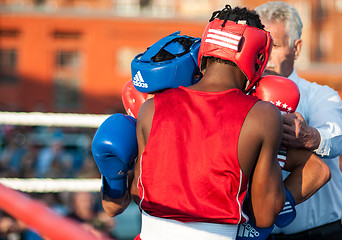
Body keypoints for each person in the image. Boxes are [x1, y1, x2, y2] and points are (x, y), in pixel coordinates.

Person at [99, 5, 287, 239]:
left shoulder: (151, 108)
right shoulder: (263, 116)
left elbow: (139, 193)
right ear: (258, 56)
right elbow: (265, 215)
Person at [255, 2, 342, 239]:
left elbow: (335, 138)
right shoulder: (241, 96)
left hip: (316, 234)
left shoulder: (321, 95)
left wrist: (310, 136)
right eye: (259, 45)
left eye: (274, 45)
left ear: (296, 48)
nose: (265, 54)